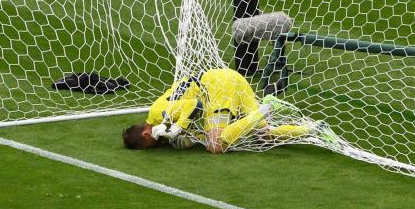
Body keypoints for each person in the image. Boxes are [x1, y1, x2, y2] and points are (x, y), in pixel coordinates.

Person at [122, 68, 324, 153]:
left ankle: (265, 109)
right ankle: (311, 129)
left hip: (218, 87)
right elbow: (193, 131)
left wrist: (176, 128)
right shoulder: (159, 121)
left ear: (146, 134)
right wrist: (187, 137)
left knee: (216, 146)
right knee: (263, 135)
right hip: (232, 80)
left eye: (149, 145)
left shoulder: (159, 114)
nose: (155, 146)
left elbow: (194, 106)